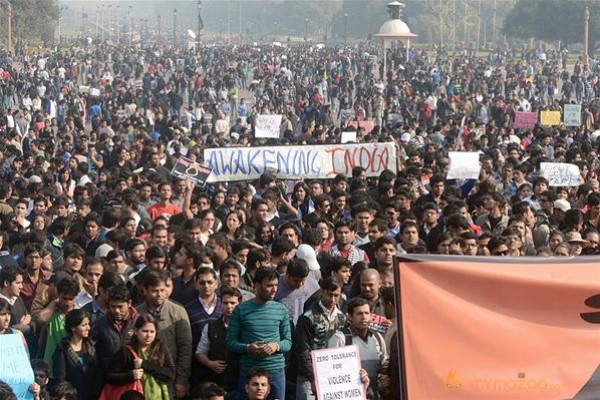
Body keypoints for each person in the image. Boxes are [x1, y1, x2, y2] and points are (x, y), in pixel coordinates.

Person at [227, 267, 292, 400]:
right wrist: (247, 348)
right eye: (269, 285)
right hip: (249, 371)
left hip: (275, 371)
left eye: (275, 285)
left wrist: (276, 346)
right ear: (257, 286)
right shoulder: (241, 310)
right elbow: (230, 342)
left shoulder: (281, 309)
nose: (274, 289)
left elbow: (288, 342)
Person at [136, 270, 192, 399]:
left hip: (169, 375)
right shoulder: (136, 313)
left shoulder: (177, 311)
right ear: (145, 290)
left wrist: (181, 380)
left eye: (162, 290)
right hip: (142, 375)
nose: (159, 295)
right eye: (155, 291)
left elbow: (185, 347)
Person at [293, 278, 347, 400]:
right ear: (322, 292)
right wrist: (313, 378)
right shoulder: (307, 317)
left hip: (334, 376)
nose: (332, 299)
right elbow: (303, 350)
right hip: (308, 377)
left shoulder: (342, 318)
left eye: (336, 296)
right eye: (329, 294)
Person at [328, 298, 389, 399]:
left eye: (366, 313)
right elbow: (332, 371)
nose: (364, 317)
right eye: (359, 314)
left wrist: (384, 376)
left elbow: (384, 362)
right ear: (350, 317)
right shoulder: (340, 339)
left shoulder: (377, 337)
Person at [105, 314, 175, 400]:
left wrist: (144, 364)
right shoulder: (126, 351)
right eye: (145, 331)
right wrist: (130, 376)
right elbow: (109, 376)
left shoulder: (160, 348)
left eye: (152, 332)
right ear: (136, 331)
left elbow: (170, 374)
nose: (149, 335)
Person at [195, 286, 242, 395]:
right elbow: (200, 352)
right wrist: (209, 363)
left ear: (239, 304)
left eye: (232, 303)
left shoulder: (245, 327)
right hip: (216, 384)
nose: (229, 306)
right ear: (220, 304)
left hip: (239, 382)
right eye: (225, 303)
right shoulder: (211, 326)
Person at [91, 284, 138, 385]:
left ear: (129, 303)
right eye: (113, 306)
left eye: (120, 307)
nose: (116, 311)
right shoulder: (100, 323)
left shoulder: (139, 322)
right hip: (108, 381)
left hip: (134, 379)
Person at [52, 309, 100, 399]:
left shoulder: (91, 346)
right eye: (84, 325)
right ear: (73, 328)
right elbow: (60, 379)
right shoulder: (62, 350)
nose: (88, 328)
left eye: (88, 324)